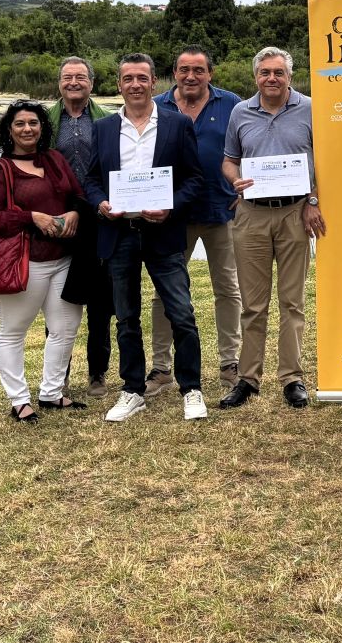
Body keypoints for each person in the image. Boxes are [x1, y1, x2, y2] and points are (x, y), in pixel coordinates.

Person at [81, 54, 209, 423]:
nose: (135, 85)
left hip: (163, 232)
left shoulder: (177, 124)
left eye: (142, 78)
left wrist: (170, 206)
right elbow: (91, 179)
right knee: (126, 317)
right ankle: (133, 389)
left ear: (154, 82)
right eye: (128, 79)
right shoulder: (104, 128)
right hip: (119, 233)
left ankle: (191, 388)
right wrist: (100, 203)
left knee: (181, 313)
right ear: (119, 84)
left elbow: (194, 179)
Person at [219, 47, 325, 409]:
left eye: (278, 72)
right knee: (253, 304)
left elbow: (325, 161)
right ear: (256, 77)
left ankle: (292, 378)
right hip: (251, 214)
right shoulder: (240, 112)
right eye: (265, 72)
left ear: (290, 76)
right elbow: (229, 160)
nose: (271, 78)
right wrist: (234, 179)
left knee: (292, 301)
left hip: (295, 212)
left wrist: (313, 201)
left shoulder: (310, 108)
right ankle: (248, 379)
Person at [0, 100, 87, 421]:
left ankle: (52, 393)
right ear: (9, 131)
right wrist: (31, 217)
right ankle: (19, 400)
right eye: (20, 124)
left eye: (33, 123)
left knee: (65, 328)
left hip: (63, 259)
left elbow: (77, 195)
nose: (27, 129)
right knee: (13, 331)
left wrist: (75, 212)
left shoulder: (54, 159)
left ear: (42, 128)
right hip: (25, 263)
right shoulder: (1, 169)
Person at [151, 44, 245, 395]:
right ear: (174, 73)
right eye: (184, 70)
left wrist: (246, 188)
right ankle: (161, 368)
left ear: (210, 74)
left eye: (199, 70)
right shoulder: (157, 106)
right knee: (165, 293)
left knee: (228, 289)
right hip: (170, 215)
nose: (191, 76)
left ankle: (230, 363)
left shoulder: (232, 104)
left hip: (222, 211)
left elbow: (247, 149)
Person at [48, 56, 114, 397]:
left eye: (80, 77)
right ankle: (57, 374)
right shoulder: (45, 120)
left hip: (99, 217)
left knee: (101, 301)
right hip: (59, 220)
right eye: (67, 77)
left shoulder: (108, 119)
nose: (73, 82)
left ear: (91, 82)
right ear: (59, 83)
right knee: (58, 300)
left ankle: (98, 373)